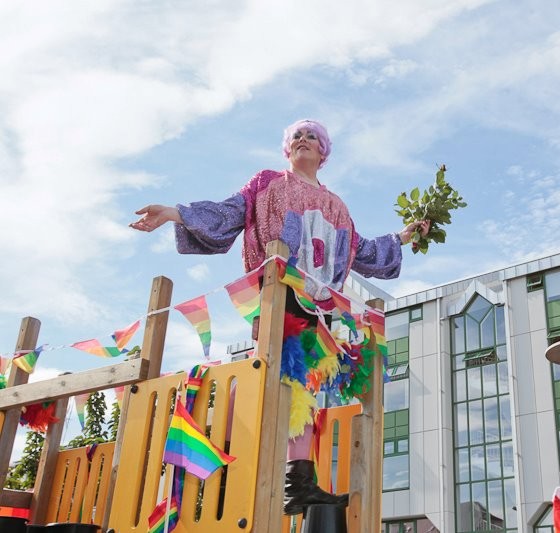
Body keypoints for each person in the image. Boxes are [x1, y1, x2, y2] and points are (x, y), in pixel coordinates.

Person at [130, 119, 429, 515]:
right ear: (287, 149)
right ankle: (218, 443)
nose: (304, 141)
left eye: (312, 138)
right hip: (279, 293)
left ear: (324, 153)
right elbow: (228, 212)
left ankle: (297, 483)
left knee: (301, 390)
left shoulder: (337, 205)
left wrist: (404, 237)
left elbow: (362, 251)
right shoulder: (267, 183)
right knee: (265, 371)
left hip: (318, 307)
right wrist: (174, 213)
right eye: (296, 137)